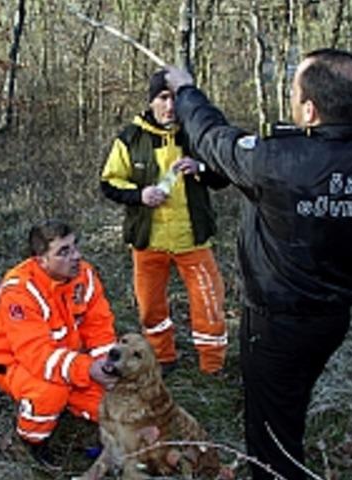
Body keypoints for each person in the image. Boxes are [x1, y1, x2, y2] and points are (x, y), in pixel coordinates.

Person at [165, 49, 352, 479]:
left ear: (309, 108)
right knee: (291, 400)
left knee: (272, 435)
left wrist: (186, 91)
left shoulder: (279, 160)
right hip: (332, 320)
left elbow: (214, 138)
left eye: (294, 91)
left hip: (276, 324)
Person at [100, 70, 231, 374]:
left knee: (209, 304)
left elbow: (222, 178)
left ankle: (212, 366)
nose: (170, 105)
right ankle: (162, 357)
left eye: (175, 98)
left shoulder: (196, 133)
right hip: (148, 241)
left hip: (193, 239)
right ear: (152, 101)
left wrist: (200, 166)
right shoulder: (130, 138)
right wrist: (139, 195)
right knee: (151, 307)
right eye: (163, 97)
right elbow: (108, 183)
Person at [0, 220, 118, 469]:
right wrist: (87, 369)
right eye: (63, 252)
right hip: (12, 362)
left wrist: (107, 366)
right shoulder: (19, 291)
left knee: (114, 395)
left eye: (75, 246)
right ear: (40, 259)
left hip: (66, 358)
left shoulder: (84, 275)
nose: (76, 256)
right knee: (49, 393)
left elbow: (99, 326)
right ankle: (32, 442)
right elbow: (36, 355)